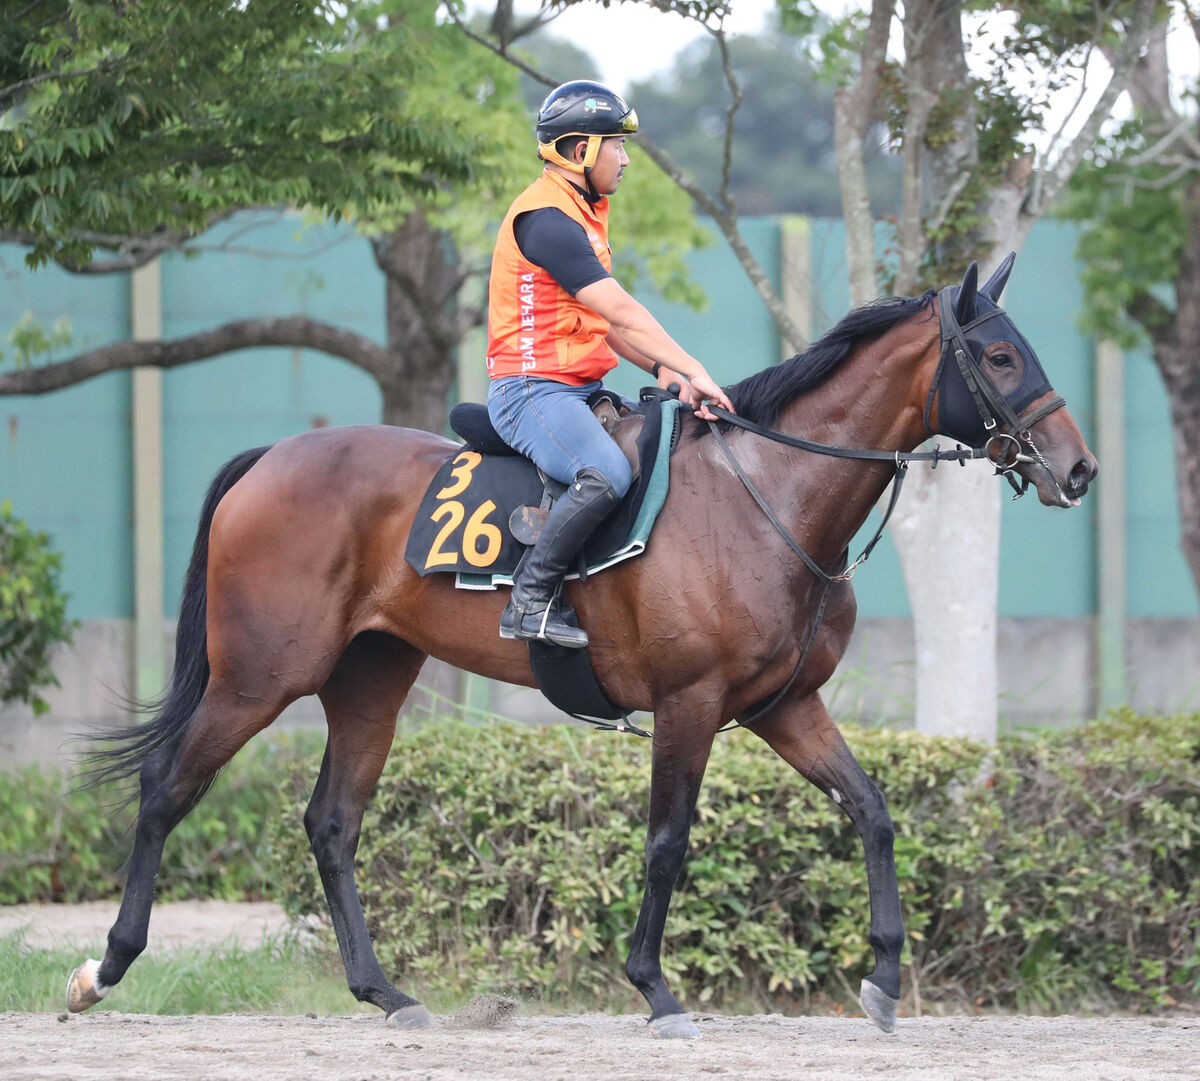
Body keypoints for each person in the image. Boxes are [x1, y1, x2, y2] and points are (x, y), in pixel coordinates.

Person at [486, 79, 735, 649]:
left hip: (574, 390)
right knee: (607, 473)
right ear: (580, 152)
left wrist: (662, 372)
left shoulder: (582, 211)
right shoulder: (546, 220)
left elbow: (605, 324)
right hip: (530, 393)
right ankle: (528, 602)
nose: (624, 158)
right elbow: (618, 309)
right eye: (615, 145)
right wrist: (692, 366)